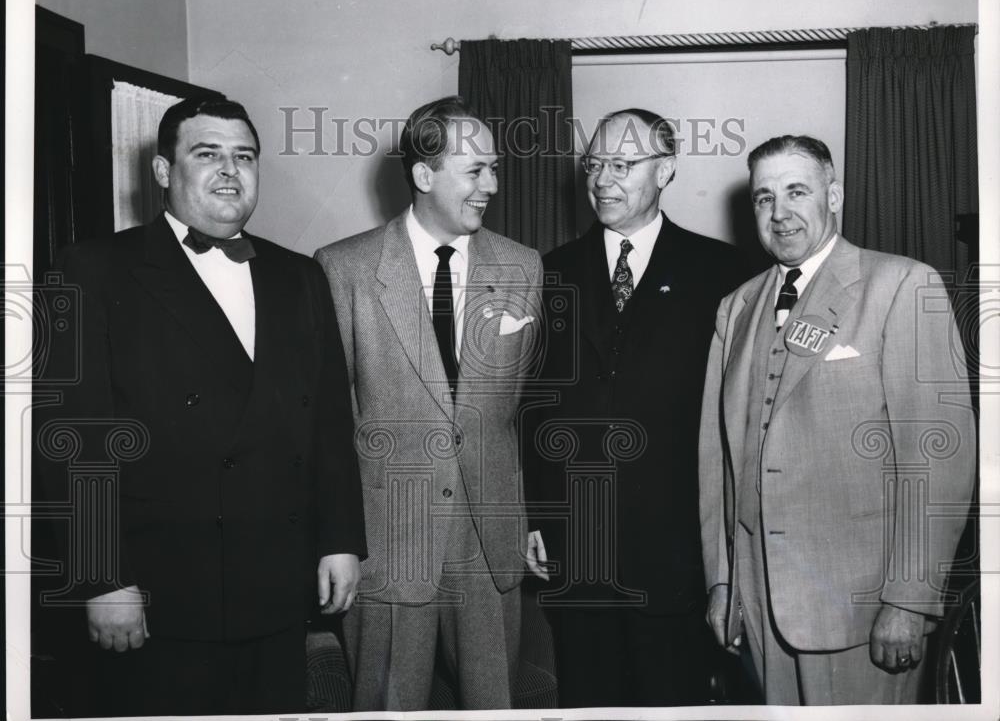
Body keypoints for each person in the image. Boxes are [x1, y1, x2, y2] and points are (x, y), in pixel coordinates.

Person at [35, 96, 367, 716]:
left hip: (276, 582)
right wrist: (102, 578)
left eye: (244, 157)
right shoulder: (94, 269)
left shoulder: (299, 275)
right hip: (161, 588)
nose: (229, 171)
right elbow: (75, 438)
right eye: (207, 154)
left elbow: (327, 423)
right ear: (163, 172)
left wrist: (340, 540)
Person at [698, 135, 976, 704]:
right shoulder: (737, 307)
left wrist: (908, 599)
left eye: (797, 191)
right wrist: (724, 585)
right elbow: (716, 464)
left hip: (863, 610)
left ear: (835, 195)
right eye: (763, 197)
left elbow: (937, 457)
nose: (780, 213)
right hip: (758, 602)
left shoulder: (899, 285)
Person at [314, 95, 545, 710]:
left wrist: (530, 519)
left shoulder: (523, 267)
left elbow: (522, 410)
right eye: (476, 171)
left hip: (489, 541)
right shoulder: (346, 269)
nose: (492, 185)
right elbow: (327, 421)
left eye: (494, 169)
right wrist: (332, 539)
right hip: (389, 544)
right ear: (423, 175)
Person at [524, 108, 748, 706]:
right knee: (586, 701)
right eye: (594, 164)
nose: (602, 179)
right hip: (578, 549)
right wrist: (537, 516)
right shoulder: (548, 273)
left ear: (666, 170)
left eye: (623, 164)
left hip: (679, 555)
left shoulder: (725, 273)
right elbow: (533, 406)